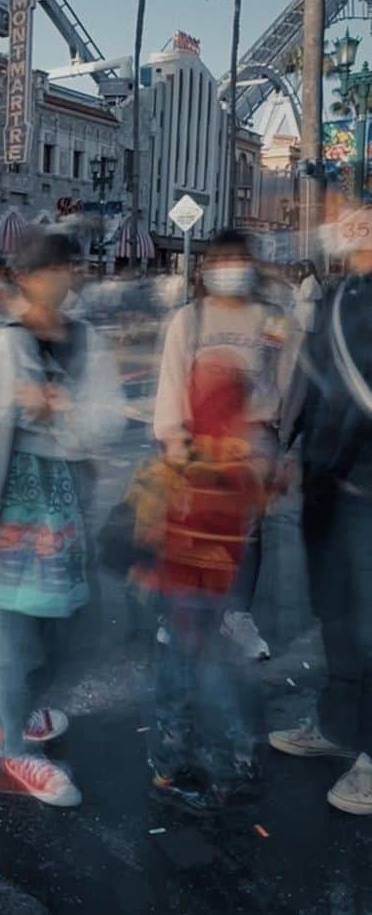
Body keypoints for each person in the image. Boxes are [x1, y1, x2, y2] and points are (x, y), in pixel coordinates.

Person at [0, 227, 125, 807]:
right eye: (48, 270)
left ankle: (14, 711)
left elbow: (106, 418)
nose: (60, 280)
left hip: (65, 505)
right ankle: (5, 749)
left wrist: (57, 411)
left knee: (69, 625)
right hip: (6, 501)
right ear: (23, 277)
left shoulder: (86, 338)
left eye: (68, 269)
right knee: (4, 629)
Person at [153, 229, 295, 662]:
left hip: (255, 437)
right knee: (194, 530)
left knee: (248, 533)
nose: (231, 269)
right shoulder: (190, 319)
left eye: (239, 259)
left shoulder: (273, 319)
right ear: (208, 268)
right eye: (222, 261)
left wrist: (288, 449)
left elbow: (288, 381)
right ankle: (179, 613)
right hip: (200, 436)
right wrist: (173, 441)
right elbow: (172, 380)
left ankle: (237, 615)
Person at [271, 220, 372, 816]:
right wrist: (292, 449)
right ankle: (338, 728)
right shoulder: (339, 296)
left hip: (367, 485)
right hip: (328, 485)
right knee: (337, 615)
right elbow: (312, 381)